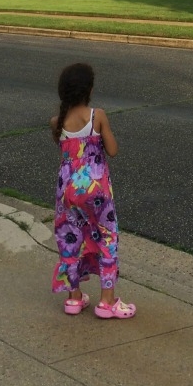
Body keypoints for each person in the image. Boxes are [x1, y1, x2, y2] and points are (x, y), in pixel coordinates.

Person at [50, 62, 136, 319]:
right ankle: (107, 302)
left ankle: (74, 299)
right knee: (106, 239)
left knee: (71, 238)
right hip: (96, 191)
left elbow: (67, 155)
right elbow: (113, 150)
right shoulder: (97, 116)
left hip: (68, 191)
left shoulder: (56, 122)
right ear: (89, 89)